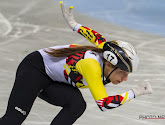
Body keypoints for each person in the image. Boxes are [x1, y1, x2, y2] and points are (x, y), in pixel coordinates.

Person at [0, 1, 152, 125]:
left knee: (77, 105)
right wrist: (135, 92)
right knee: (13, 120)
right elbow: (104, 104)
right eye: (123, 72)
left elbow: (97, 38)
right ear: (109, 64)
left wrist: (74, 24)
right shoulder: (91, 66)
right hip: (34, 70)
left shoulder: (104, 52)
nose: (125, 78)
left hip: (53, 79)